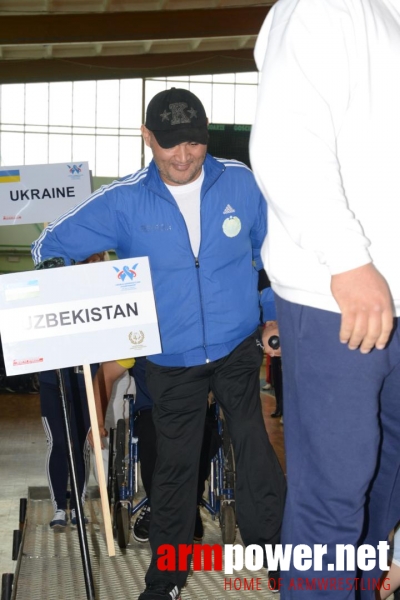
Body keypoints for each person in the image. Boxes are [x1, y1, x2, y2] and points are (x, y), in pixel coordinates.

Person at [31, 87, 286, 600]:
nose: (184, 155)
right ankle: (165, 581)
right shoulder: (124, 201)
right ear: (147, 138)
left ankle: (280, 559)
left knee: (254, 449)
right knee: (174, 469)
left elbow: (272, 254)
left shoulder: (241, 183)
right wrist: (65, 279)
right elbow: (48, 245)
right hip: (168, 357)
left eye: (194, 141)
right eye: (171, 144)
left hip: (237, 346)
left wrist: (271, 316)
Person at [250, 1, 400, 598]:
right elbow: (287, 142)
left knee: (386, 486)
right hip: (338, 295)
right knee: (334, 496)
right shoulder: (322, 8)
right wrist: (348, 259)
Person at [92, 357, 220, 543]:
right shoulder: (142, 339)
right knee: (152, 438)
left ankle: (190, 505)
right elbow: (105, 374)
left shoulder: (197, 334)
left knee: (204, 439)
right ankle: (156, 504)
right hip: (152, 410)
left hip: (193, 410)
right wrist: (98, 422)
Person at [40, 252, 104, 527]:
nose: (96, 265)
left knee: (79, 446)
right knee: (59, 443)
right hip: (53, 380)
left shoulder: (101, 294)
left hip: (84, 380)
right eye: (91, 261)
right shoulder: (55, 290)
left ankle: (77, 505)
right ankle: (59, 509)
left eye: (100, 261)